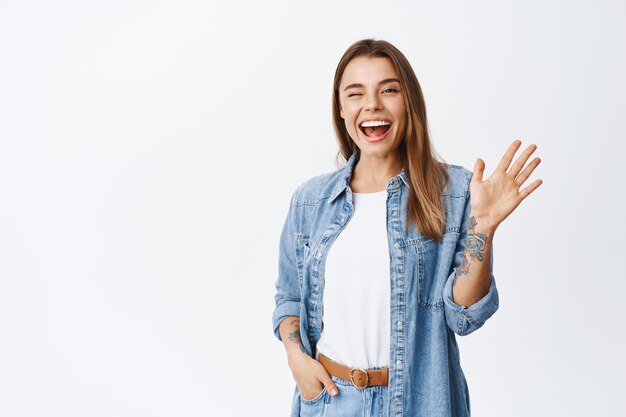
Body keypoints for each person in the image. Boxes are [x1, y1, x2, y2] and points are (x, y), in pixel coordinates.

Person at [271, 38, 542, 417]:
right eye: (355, 93)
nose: (372, 105)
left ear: (409, 101)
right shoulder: (310, 201)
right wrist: (296, 358)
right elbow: (289, 298)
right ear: (341, 107)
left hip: (419, 402)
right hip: (331, 401)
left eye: (388, 90)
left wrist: (482, 228)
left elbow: (463, 316)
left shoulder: (455, 193)